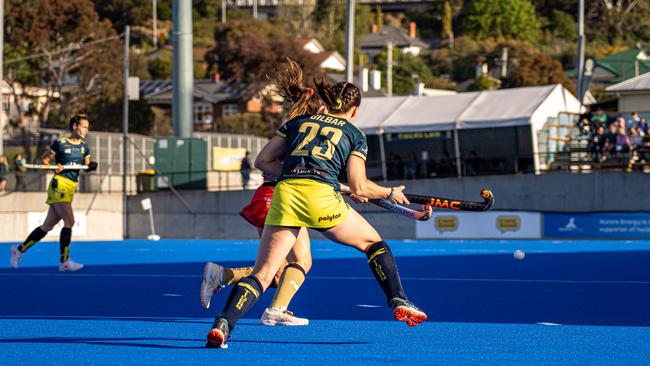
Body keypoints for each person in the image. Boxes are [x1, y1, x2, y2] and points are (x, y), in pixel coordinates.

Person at [205, 79, 426, 349]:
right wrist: (389, 192)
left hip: (286, 195)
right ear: (354, 110)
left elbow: (262, 161)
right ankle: (399, 299)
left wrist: (297, 174)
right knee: (373, 244)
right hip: (321, 199)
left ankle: (223, 325)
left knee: (263, 274)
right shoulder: (354, 133)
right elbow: (360, 186)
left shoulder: (296, 122)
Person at [200, 59, 326, 326]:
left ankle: (222, 276)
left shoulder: (295, 128)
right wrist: (303, 176)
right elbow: (267, 162)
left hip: (274, 198)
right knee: (298, 262)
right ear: (320, 111)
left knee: (279, 272)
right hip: (278, 198)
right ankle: (272, 310)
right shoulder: (304, 132)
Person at [10, 113, 97, 271]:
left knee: (47, 226)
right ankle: (65, 261)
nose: (86, 130)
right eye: (84, 127)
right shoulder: (60, 143)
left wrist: (91, 166)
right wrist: (54, 167)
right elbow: (44, 160)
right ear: (75, 126)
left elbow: (86, 166)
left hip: (71, 186)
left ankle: (19, 250)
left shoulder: (84, 147)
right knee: (69, 222)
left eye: (87, 128)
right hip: (59, 184)